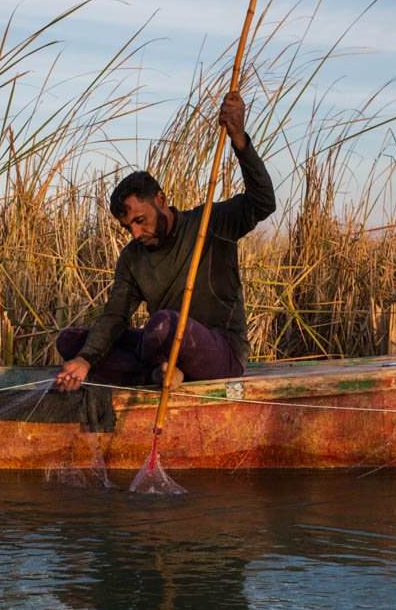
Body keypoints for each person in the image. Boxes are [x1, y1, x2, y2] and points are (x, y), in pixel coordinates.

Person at [54, 90, 275, 392]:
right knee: (71, 341)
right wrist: (85, 360)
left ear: (160, 200)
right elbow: (116, 316)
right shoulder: (133, 258)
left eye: (140, 221)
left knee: (164, 324)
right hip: (160, 347)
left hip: (218, 351)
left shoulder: (210, 221)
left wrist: (239, 139)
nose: (134, 234)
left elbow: (264, 202)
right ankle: (160, 374)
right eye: (126, 227)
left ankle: (158, 370)